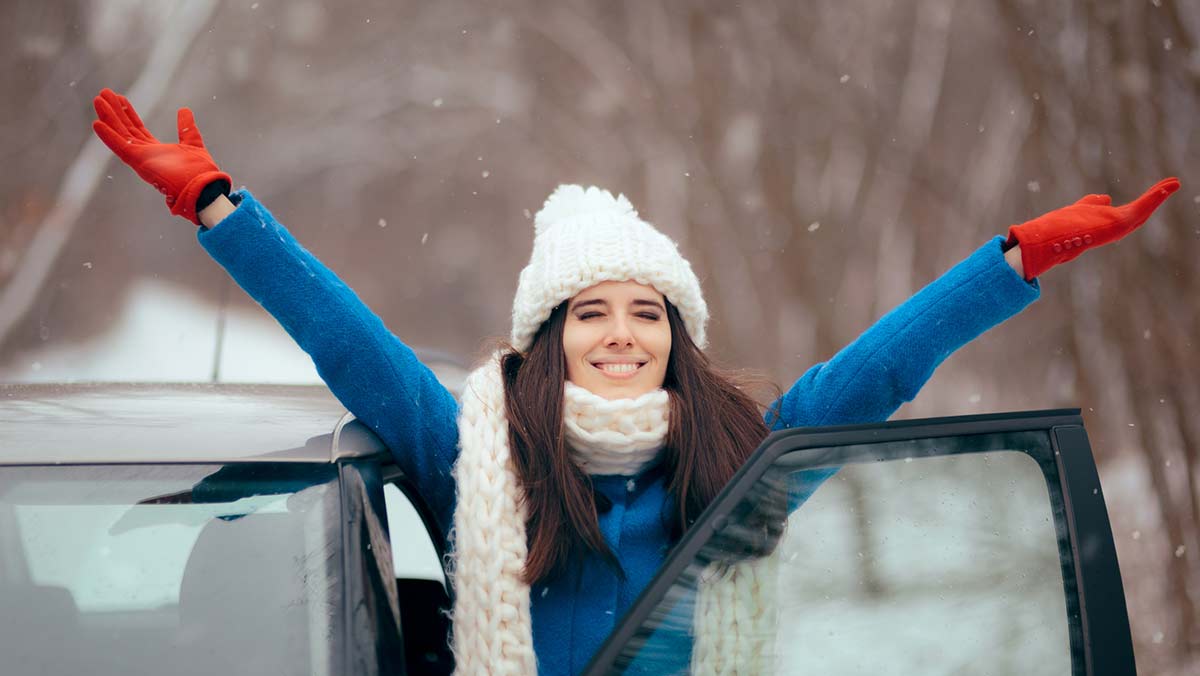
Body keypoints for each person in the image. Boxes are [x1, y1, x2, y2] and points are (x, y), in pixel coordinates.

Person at [90, 87, 1178, 675]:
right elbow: (351, 342)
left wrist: (1012, 261)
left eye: (646, 312)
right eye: (592, 313)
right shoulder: (474, 452)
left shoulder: (740, 461)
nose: (621, 335)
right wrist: (226, 210)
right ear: (550, 336)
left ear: (676, 335)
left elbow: (877, 373)